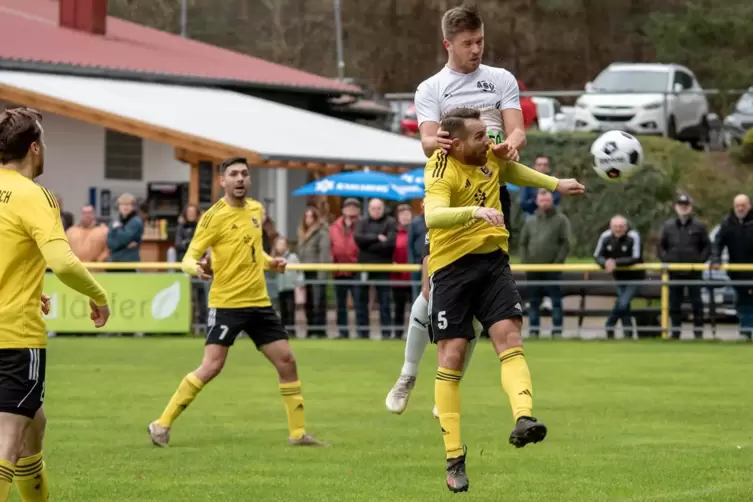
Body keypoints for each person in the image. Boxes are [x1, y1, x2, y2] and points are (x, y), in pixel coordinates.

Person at [423, 108, 584, 492]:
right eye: (480, 136)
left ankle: (524, 417)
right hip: (452, 270)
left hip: (493, 264)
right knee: (452, 357)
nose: (490, 141)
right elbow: (433, 216)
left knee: (510, 338)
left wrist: (555, 183)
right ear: (457, 142)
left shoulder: (490, 156)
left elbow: (513, 172)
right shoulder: (440, 168)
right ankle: (454, 458)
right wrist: (475, 211)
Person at [386, 3, 529, 415]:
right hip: (450, 194)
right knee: (432, 288)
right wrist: (444, 143)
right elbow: (427, 141)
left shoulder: (500, 79)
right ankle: (409, 373)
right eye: (468, 43)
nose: (476, 49)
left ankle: (450, 381)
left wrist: (512, 145)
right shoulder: (431, 88)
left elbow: (517, 127)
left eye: (480, 41)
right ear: (448, 43)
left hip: (492, 196)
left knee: (487, 295)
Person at [147, 157, 326, 448]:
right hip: (227, 304)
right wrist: (198, 269)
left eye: (244, 173)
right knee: (211, 366)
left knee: (287, 361)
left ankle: (298, 435)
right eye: (233, 174)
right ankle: (161, 424)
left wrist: (271, 263)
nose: (240, 179)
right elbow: (188, 258)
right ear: (223, 181)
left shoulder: (256, 209)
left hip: (259, 303)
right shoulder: (213, 216)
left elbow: (255, 251)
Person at [0, 107, 111, 501]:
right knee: (9, 438)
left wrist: (27, 285)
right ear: (34, 147)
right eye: (43, 141)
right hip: (14, 336)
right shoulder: (36, 196)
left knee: (34, 426)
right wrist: (99, 295)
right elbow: (63, 263)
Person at [657, 195, 710, 339]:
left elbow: (707, 246)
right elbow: (661, 246)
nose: (683, 207)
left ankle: (698, 332)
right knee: (674, 303)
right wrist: (666, 260)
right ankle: (675, 332)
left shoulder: (699, 226)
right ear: (676, 207)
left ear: (690, 207)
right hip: (675, 271)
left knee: (697, 303)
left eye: (686, 204)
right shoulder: (668, 226)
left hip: (693, 271)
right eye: (681, 204)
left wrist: (700, 262)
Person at [519, 189, 571, 337]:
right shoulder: (530, 220)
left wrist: (557, 264)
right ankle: (534, 330)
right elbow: (523, 243)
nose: (544, 203)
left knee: (555, 301)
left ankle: (557, 330)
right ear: (537, 201)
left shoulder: (561, 220)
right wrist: (525, 262)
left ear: (552, 200)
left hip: (552, 270)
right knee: (534, 301)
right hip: (533, 269)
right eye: (541, 200)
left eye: (547, 200)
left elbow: (565, 243)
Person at [593, 215, 644, 339]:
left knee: (622, 303)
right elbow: (597, 255)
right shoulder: (605, 236)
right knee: (624, 306)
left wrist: (615, 263)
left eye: (621, 226)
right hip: (619, 277)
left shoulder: (634, 236)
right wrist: (605, 263)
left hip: (635, 277)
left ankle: (609, 324)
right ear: (611, 227)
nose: (618, 229)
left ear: (626, 227)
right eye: (615, 226)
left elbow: (635, 257)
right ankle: (628, 334)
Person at [711, 194, 753, 340]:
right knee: (742, 302)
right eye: (737, 205)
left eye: (743, 205)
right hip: (737, 271)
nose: (740, 208)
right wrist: (716, 259)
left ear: (749, 206)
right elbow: (718, 243)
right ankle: (746, 331)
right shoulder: (727, 222)